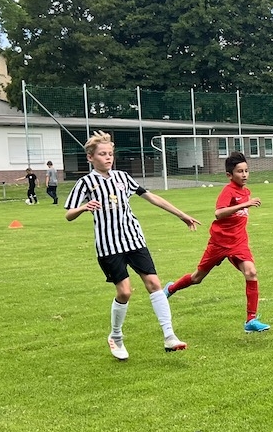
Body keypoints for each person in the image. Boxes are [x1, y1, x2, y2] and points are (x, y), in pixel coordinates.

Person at [65, 130, 199, 359]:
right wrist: (83, 208)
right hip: (109, 246)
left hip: (134, 239)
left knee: (154, 283)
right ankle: (116, 336)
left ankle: (169, 336)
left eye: (110, 154)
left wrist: (182, 215)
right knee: (125, 292)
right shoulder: (85, 183)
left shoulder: (123, 177)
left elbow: (152, 197)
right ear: (90, 157)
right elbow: (68, 214)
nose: (108, 158)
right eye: (102, 154)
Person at [165, 152, 271, 334]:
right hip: (219, 242)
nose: (244, 175)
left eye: (246, 170)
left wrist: (244, 204)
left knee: (251, 272)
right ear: (230, 175)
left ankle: (251, 320)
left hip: (238, 242)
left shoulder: (246, 192)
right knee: (197, 278)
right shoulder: (228, 191)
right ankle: (171, 288)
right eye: (240, 171)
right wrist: (244, 205)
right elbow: (218, 213)